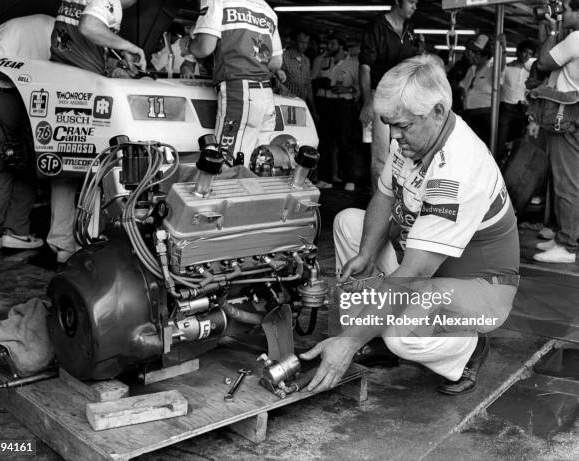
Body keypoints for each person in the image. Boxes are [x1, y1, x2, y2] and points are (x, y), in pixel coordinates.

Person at [301, 55, 520, 396]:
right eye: (390, 125)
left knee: (401, 335)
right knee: (348, 224)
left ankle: (469, 349)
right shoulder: (414, 137)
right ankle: (373, 336)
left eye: (403, 126)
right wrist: (366, 254)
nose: (394, 136)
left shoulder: (457, 171)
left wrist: (347, 342)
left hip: (478, 286)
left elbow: (414, 273)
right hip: (430, 263)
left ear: (437, 112)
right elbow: (385, 195)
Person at [48, 0, 143, 263]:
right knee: (101, 165)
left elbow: (85, 34)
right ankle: (88, 244)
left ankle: (61, 242)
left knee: (66, 165)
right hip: (84, 83)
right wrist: (130, 46)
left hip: (59, 75)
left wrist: (117, 53)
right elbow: (89, 26)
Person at [0, 15, 55, 250]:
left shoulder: (8, 24)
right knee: (26, 165)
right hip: (15, 98)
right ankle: (17, 232)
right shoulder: (55, 28)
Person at [186, 0, 283, 163]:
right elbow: (276, 62)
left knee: (225, 163)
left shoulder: (218, 1)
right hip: (265, 95)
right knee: (256, 164)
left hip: (238, 90)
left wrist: (190, 45)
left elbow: (204, 48)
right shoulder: (267, 9)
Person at [531, 0, 579, 264]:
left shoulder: (576, 38)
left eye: (569, 10)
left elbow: (544, 62)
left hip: (568, 113)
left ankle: (568, 245)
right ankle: (565, 236)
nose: (564, 15)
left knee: (567, 182)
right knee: (572, 179)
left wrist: (550, 32)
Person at [359, 0, 417, 189]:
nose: (414, 6)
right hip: (380, 96)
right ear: (397, 1)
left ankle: (402, 200)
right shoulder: (376, 27)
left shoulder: (409, 28)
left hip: (403, 98)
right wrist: (368, 102)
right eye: (411, 2)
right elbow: (365, 67)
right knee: (381, 155)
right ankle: (379, 202)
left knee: (405, 151)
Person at [311, 34, 359, 190]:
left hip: (343, 104)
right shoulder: (320, 60)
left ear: (341, 46)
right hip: (325, 103)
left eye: (332, 44)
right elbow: (311, 80)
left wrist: (347, 89)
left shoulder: (353, 63)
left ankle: (349, 179)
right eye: (328, 43)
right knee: (325, 142)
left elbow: (359, 87)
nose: (328, 47)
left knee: (344, 142)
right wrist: (320, 83)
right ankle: (325, 178)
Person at [459, 34, 506, 146]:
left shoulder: (492, 70)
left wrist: (502, 50)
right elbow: (463, 85)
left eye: (477, 53)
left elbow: (501, 65)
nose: (472, 55)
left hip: (483, 117)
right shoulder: (472, 69)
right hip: (468, 115)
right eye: (472, 52)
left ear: (486, 56)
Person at [496, 40, 537, 163]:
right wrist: (503, 46)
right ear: (518, 52)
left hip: (521, 110)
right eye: (525, 52)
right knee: (501, 141)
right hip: (506, 108)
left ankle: (512, 166)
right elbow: (498, 85)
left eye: (530, 54)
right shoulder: (506, 69)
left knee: (518, 142)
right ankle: (497, 164)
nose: (527, 56)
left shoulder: (528, 73)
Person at [280, 29, 315, 116]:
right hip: (285, 105)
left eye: (306, 43)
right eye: (301, 42)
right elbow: (277, 82)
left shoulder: (306, 60)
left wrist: (313, 109)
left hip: (302, 106)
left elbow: (308, 85)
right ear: (293, 41)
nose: (304, 46)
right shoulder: (283, 57)